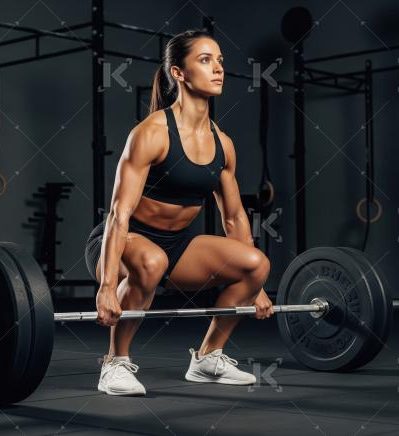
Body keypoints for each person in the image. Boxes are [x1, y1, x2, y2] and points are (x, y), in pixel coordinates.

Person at [84, 29, 274, 396]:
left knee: (257, 263)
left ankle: (207, 358)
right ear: (179, 73)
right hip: (121, 241)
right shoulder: (151, 133)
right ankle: (114, 363)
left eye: (219, 60)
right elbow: (118, 215)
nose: (218, 68)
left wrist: (259, 288)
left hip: (176, 246)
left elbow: (234, 219)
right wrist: (107, 286)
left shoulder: (223, 145)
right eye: (205, 60)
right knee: (151, 262)